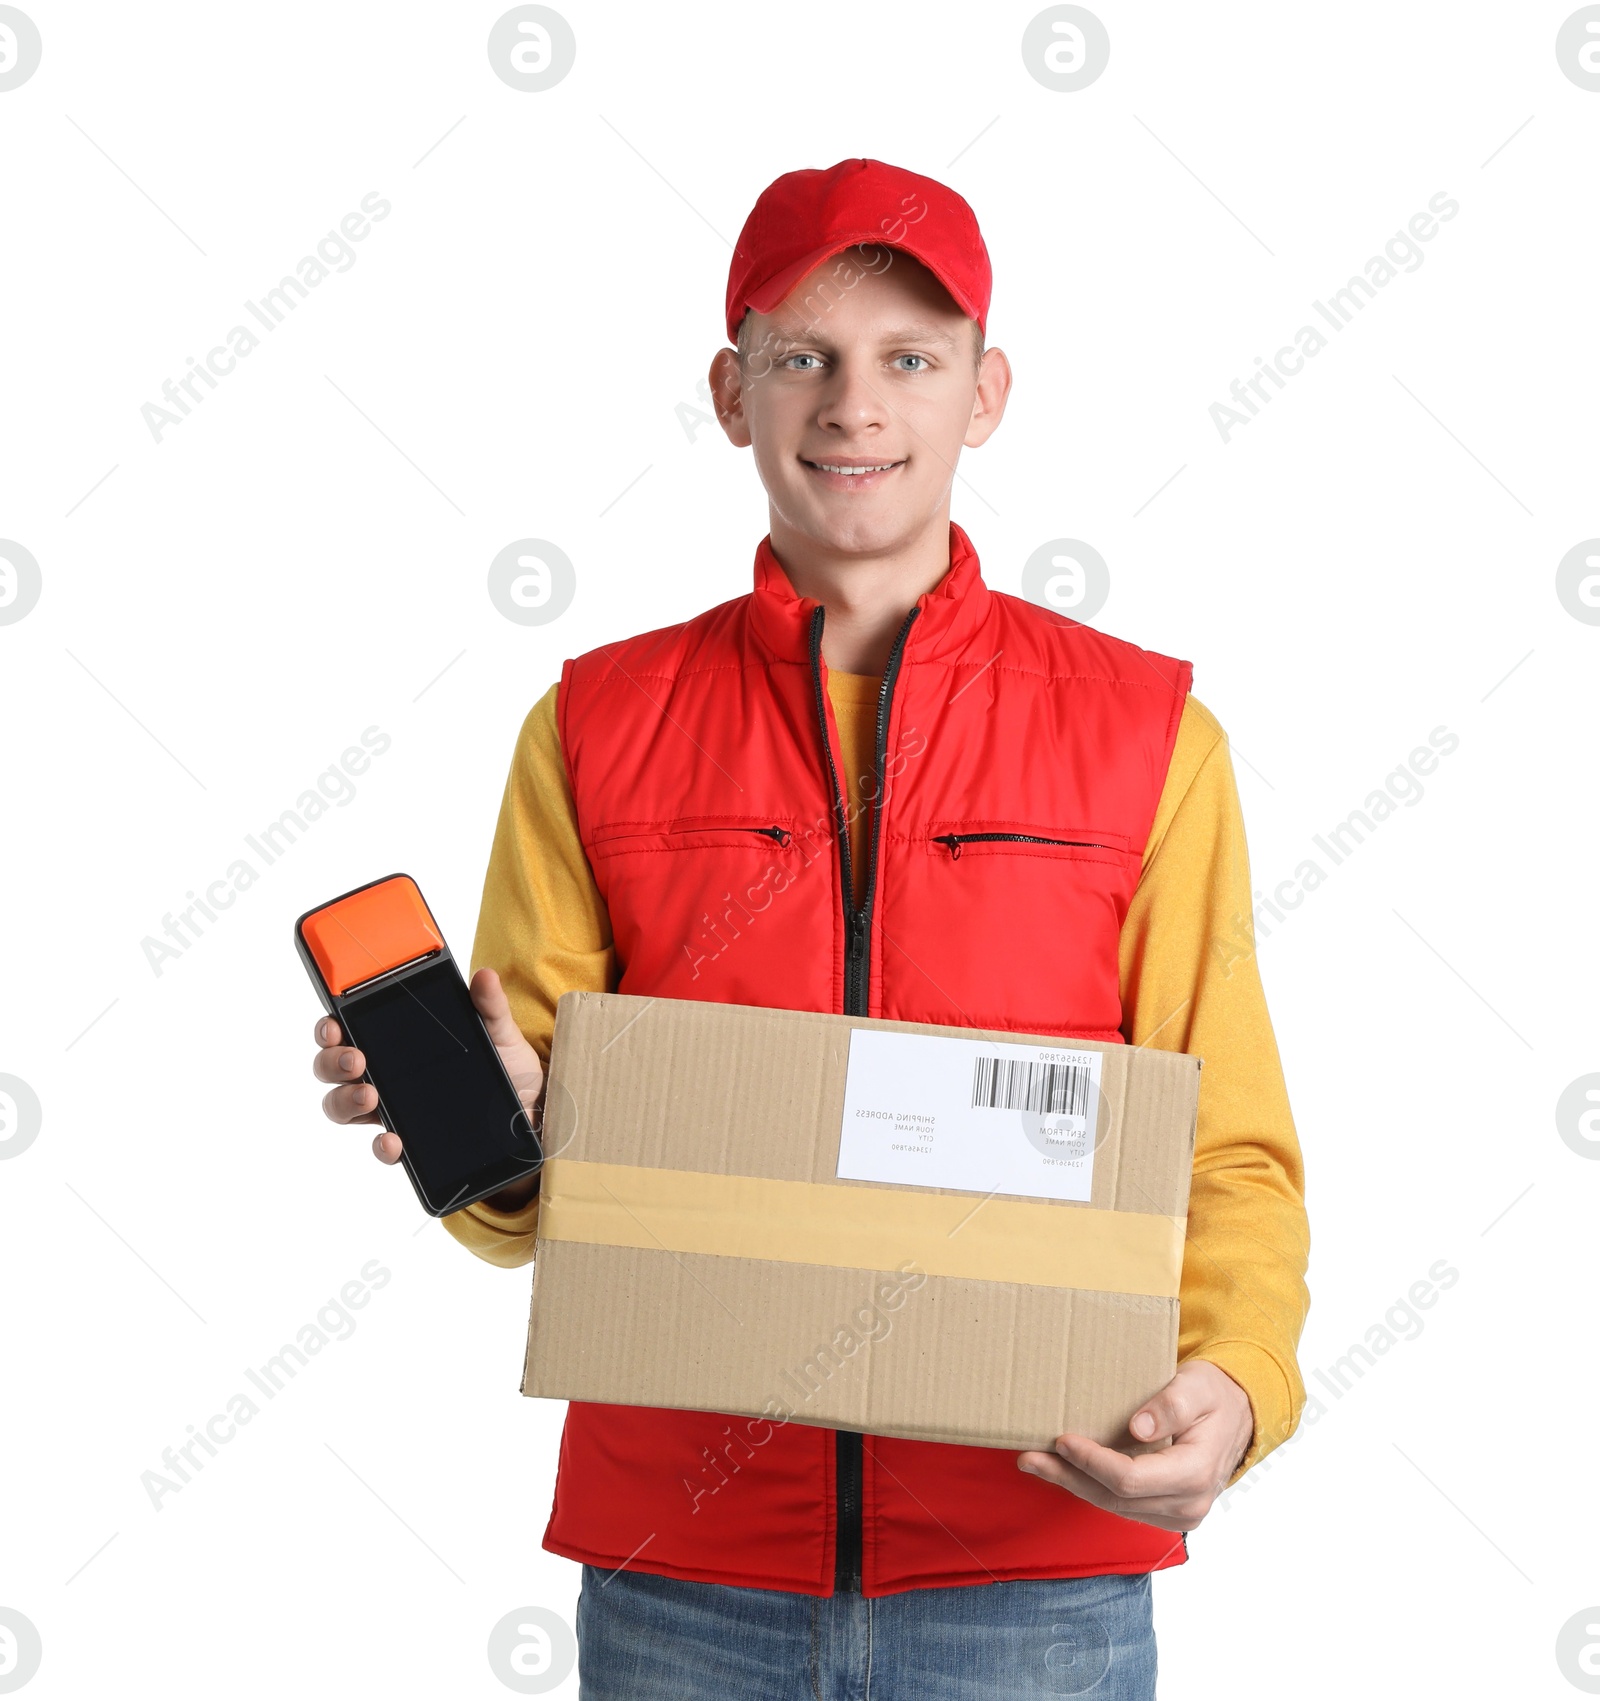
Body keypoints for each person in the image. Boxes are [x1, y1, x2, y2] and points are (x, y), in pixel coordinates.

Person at [311, 158, 1310, 1700]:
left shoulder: (1147, 738)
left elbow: (1225, 1142)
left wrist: (1241, 1387)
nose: (857, 405)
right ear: (732, 391)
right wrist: (492, 1130)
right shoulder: (593, 727)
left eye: (911, 358)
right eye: (805, 358)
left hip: (1035, 1565)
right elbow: (532, 1202)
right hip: (683, 1578)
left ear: (985, 393)